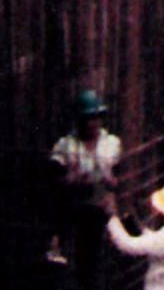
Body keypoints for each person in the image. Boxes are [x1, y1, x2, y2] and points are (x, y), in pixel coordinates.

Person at [46, 88, 119, 268]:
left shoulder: (111, 143)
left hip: (100, 207)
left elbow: (118, 179)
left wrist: (110, 181)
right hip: (73, 207)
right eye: (87, 119)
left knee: (95, 257)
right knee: (73, 257)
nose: (92, 123)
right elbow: (53, 179)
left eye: (95, 118)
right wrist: (70, 178)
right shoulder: (66, 145)